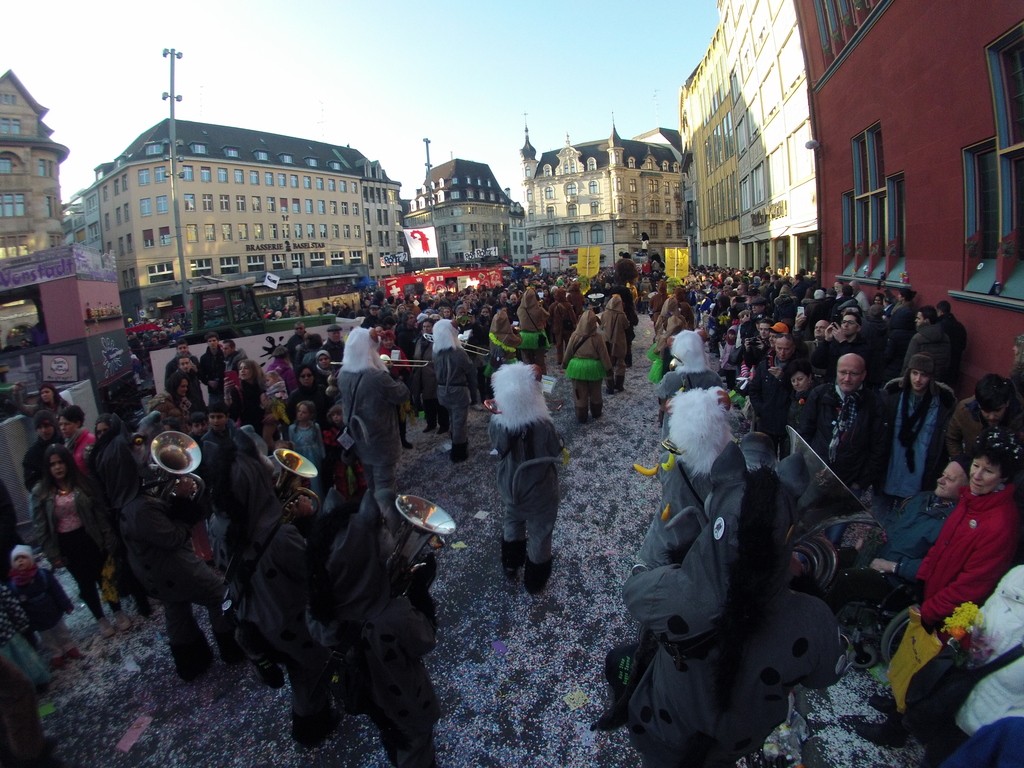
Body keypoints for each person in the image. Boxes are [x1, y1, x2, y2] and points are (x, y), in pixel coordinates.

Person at [619, 417, 847, 767]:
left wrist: (670, 552)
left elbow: (634, 589)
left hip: (665, 731)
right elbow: (826, 673)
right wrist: (801, 579)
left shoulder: (674, 593)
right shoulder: (813, 619)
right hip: (734, 745)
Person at [854, 427, 1024, 748]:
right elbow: (942, 546)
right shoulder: (971, 500)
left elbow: (973, 585)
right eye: (976, 465)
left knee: (926, 669)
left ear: (1004, 477)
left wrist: (931, 609)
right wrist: (923, 580)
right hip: (933, 596)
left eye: (988, 471)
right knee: (911, 656)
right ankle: (896, 700)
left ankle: (895, 729)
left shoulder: (1000, 523)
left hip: (952, 614)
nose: (977, 475)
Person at [209, 431, 334, 746]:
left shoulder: (217, 523)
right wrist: (306, 523)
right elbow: (313, 571)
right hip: (286, 618)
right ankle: (311, 725)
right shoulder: (280, 537)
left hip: (251, 615)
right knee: (307, 674)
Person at [306, 496, 441, 767]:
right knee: (415, 744)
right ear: (363, 560)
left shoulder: (323, 612)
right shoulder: (394, 616)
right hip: (407, 699)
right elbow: (425, 640)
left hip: (372, 695)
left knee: (390, 728)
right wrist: (420, 595)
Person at [119, 420, 244, 681]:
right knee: (219, 594)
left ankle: (191, 661)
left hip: (155, 571)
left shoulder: (130, 497)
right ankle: (232, 647)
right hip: (172, 567)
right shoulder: (140, 508)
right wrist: (184, 500)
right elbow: (174, 537)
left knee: (176, 608)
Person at [824, 458, 969, 615]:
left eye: (950, 479)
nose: (940, 480)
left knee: (847, 579)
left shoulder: (955, 523)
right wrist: (870, 538)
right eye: (943, 475)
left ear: (965, 487)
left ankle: (820, 621)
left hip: (895, 580)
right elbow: (891, 521)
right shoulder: (922, 498)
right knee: (828, 558)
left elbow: (934, 567)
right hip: (877, 555)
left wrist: (894, 567)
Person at [30, 445, 126, 638]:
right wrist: (53, 555)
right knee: (84, 583)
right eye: (53, 464)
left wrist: (108, 537)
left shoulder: (82, 483)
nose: (58, 467)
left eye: (61, 462)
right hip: (67, 543)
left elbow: (99, 513)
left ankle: (117, 610)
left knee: (104, 576)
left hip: (90, 536)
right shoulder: (41, 492)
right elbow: (41, 527)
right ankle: (100, 618)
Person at [489, 362, 564, 593]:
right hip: (540, 489)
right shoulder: (543, 425)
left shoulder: (499, 424)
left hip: (511, 486)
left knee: (512, 520)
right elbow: (555, 450)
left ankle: (511, 564)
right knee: (541, 531)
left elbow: (498, 448)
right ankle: (535, 580)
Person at [873, 353, 957, 522]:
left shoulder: (942, 404)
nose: (918, 379)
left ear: (931, 377)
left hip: (918, 472)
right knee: (876, 517)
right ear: (908, 373)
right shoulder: (892, 396)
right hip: (889, 467)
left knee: (904, 519)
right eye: (915, 373)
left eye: (923, 375)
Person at [336, 328, 409, 502]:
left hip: (359, 439)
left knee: (370, 481)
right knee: (385, 487)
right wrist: (394, 376)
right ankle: (386, 516)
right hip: (381, 440)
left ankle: (373, 511)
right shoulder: (377, 377)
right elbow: (402, 395)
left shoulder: (343, 374)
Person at [799, 353, 887, 494]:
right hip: (815, 475)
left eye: (853, 374)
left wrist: (860, 483)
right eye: (843, 372)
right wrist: (808, 466)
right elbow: (804, 434)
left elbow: (878, 447)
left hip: (849, 484)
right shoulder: (820, 394)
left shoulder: (873, 403)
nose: (847, 378)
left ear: (863, 375)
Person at [7, 545, 79, 669]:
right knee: (47, 637)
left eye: (23, 557)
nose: (20, 561)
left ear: (31, 559)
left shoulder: (42, 575)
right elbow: (17, 606)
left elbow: (57, 590)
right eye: (16, 559)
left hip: (53, 611)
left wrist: (66, 604)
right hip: (36, 618)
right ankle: (56, 652)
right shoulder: (14, 585)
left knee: (61, 630)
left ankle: (68, 645)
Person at [945, 373, 1024, 460]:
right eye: (986, 411)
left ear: (1007, 403)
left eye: (997, 410)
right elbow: (952, 438)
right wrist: (961, 462)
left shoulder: (1020, 414)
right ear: (978, 405)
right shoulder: (964, 410)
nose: (992, 417)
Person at [432, 319, 479, 463]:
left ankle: (455, 440)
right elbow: (470, 371)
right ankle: (459, 451)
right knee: (459, 422)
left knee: (452, 418)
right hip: (458, 390)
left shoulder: (435, 352)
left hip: (442, 390)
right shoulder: (458, 353)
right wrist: (473, 393)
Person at [747, 333, 798, 454]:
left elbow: (798, 392)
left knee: (787, 457)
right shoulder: (765, 364)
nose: (782, 353)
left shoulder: (798, 367)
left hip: (787, 423)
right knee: (765, 456)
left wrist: (783, 378)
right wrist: (761, 409)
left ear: (793, 349)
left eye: (786, 349)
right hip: (766, 420)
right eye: (779, 348)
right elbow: (754, 390)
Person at [562, 308, 613, 423]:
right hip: (594, 368)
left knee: (579, 392)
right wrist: (608, 369)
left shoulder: (575, 335)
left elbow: (569, 351)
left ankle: (581, 415)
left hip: (578, 368)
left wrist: (565, 363)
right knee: (596, 391)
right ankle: (596, 412)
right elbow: (604, 354)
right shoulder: (598, 337)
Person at [410, 319, 448, 435]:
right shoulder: (419, 341)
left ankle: (444, 424)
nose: (426, 329)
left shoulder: (437, 341)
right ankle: (431, 423)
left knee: (438, 401)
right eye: (424, 326)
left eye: (429, 326)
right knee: (427, 401)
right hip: (421, 375)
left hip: (434, 375)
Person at [902, 305, 951, 381]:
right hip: (937, 380)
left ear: (926, 321)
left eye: (918, 318)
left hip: (918, 380)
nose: (916, 320)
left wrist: (903, 379)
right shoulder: (946, 337)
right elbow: (947, 362)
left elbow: (908, 363)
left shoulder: (917, 338)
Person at [287, 402, 325, 499]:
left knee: (315, 481)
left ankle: (317, 501)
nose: (300, 414)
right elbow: (292, 445)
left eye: (304, 412)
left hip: (314, 456)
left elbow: (320, 443)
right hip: (301, 457)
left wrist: (322, 456)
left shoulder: (315, 427)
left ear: (310, 415)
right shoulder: (292, 428)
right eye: (299, 411)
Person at [22, 411, 62, 495]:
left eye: (47, 426)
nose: (44, 430)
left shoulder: (65, 441)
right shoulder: (32, 455)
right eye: (39, 427)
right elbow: (31, 482)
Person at [516, 286, 550, 375]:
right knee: (540, 361)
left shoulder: (520, 309)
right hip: (537, 336)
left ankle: (528, 378)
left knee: (526, 361)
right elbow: (547, 316)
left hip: (523, 337)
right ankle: (542, 378)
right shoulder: (538, 309)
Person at [601, 293, 629, 395]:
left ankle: (610, 386)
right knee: (620, 363)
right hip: (619, 342)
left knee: (608, 364)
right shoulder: (622, 315)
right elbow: (626, 326)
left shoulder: (605, 314)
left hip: (607, 341)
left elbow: (601, 326)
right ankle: (619, 384)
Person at [936, 300, 967, 388]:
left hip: (940, 365)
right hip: (954, 365)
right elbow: (963, 346)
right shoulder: (960, 326)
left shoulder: (939, 325)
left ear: (940, 311)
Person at [57, 406, 95, 475]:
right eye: (60, 424)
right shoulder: (66, 446)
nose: (63, 428)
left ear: (78, 424)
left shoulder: (90, 440)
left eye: (67, 424)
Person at [198, 332, 226, 402]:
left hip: (225, 388)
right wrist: (208, 382)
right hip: (212, 391)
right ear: (207, 343)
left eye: (214, 340)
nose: (212, 343)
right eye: (210, 341)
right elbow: (201, 374)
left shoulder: (224, 355)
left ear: (218, 341)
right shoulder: (204, 358)